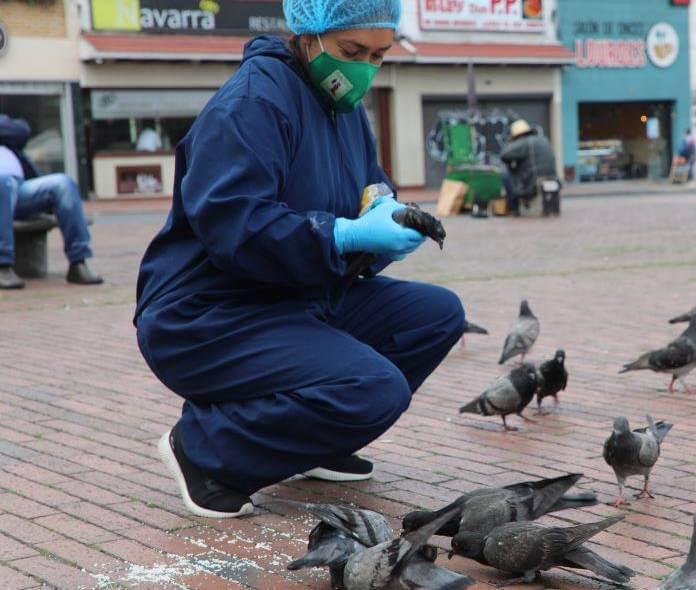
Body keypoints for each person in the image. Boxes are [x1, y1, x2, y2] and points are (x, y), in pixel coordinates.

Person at [135, 0, 464, 519]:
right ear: (309, 34)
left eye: (380, 55)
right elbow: (236, 226)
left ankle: (314, 440)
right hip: (210, 314)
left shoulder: (344, 109)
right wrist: (344, 235)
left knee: (437, 315)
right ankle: (205, 452)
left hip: (295, 294)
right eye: (353, 51)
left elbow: (367, 193)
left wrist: (385, 222)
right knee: (374, 389)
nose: (365, 68)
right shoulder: (252, 102)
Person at [0, 114, 103, 289]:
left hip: (21, 188)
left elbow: (21, 130)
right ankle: (3, 266)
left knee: (63, 183)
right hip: (3, 186)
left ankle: (78, 263)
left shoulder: (7, 133)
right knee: (3, 183)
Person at [500, 119, 556, 215]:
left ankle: (514, 208)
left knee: (505, 176)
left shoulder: (523, 142)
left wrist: (512, 167)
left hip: (533, 181)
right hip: (552, 178)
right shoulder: (543, 140)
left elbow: (504, 155)